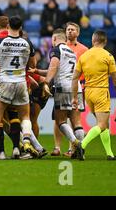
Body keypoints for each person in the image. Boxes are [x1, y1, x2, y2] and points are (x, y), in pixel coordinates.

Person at [0, 16, 36, 160]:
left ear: (8, 25)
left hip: (3, 81)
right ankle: (26, 142)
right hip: (21, 82)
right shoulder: (27, 42)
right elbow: (32, 65)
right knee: (25, 116)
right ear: (21, 27)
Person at [72, 30, 116, 161]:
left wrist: (74, 97)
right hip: (101, 92)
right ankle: (82, 145)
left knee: (104, 124)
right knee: (101, 124)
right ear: (105, 41)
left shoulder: (84, 56)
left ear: (93, 40)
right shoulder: (108, 56)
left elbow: (75, 78)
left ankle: (110, 154)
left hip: (88, 93)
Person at [34, 29, 84, 158]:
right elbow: (57, 69)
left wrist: (46, 82)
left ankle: (75, 142)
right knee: (77, 122)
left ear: (55, 39)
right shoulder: (72, 52)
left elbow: (54, 67)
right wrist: (37, 71)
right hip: (77, 87)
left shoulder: (56, 50)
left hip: (63, 87)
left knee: (60, 121)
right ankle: (80, 148)